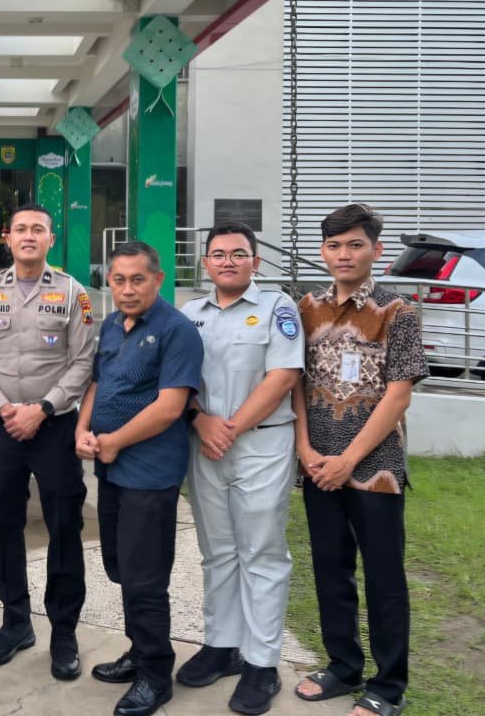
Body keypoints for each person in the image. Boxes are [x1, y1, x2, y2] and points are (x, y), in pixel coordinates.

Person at [292, 204, 427, 716]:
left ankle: (388, 686)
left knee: (384, 579)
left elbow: (399, 395)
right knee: (331, 570)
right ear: (323, 251)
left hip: (375, 471)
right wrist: (305, 449)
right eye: (334, 245)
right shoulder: (306, 307)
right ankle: (343, 666)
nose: (344, 254)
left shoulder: (398, 312)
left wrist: (348, 459)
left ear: (376, 249)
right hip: (318, 468)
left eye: (355, 244)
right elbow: (295, 382)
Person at [0, 203, 96, 680]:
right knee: (1, 521)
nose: (29, 235)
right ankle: (15, 621)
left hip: (54, 426)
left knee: (64, 525)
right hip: (4, 425)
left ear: (51, 239)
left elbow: (83, 361)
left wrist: (42, 409)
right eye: (21, 229)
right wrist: (4, 409)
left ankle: (64, 631)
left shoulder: (73, 292)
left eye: (39, 229)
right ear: (7, 237)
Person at [178, 223, 304, 715]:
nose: (227, 261)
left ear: (256, 261)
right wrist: (200, 420)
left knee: (262, 553)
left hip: (260, 444)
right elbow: (177, 380)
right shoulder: (190, 314)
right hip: (204, 443)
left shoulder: (277, 308)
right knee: (218, 551)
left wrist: (228, 427)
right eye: (218, 254)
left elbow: (283, 376)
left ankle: (261, 662)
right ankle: (222, 645)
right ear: (205, 263)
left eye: (238, 253)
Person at [77, 242, 203, 716]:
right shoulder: (111, 324)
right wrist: (82, 430)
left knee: (145, 577)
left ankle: (155, 673)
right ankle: (139, 649)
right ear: (108, 281)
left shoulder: (177, 330)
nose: (127, 289)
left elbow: (170, 408)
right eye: (119, 280)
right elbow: (97, 384)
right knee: (120, 567)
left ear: (158, 279)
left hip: (149, 473)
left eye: (138, 279)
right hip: (111, 469)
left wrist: (114, 441)